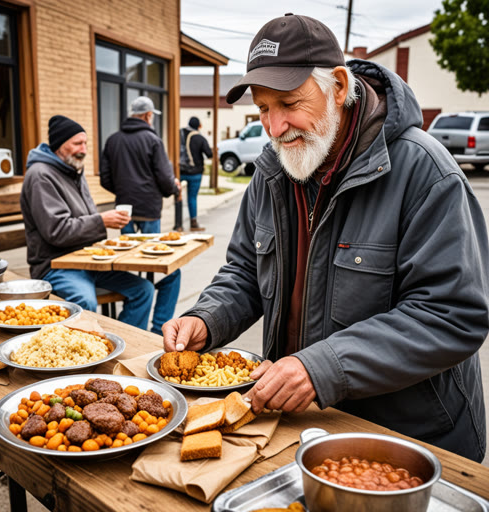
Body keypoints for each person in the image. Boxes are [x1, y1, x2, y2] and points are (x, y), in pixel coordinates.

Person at [162, 13, 489, 462]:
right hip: (300, 426)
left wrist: (323, 367)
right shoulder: (273, 169)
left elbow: (451, 313)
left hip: (409, 438)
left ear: (338, 86)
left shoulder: (425, 171)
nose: (274, 128)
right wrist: (208, 318)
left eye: (290, 103)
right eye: (263, 108)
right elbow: (244, 271)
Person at [20, 115, 154, 329]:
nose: (83, 149)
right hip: (56, 265)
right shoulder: (40, 175)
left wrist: (106, 223)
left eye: (85, 143)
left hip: (87, 260)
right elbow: (57, 231)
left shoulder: (73, 169)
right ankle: (91, 353)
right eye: (77, 143)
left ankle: (121, 341)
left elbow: (87, 217)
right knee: (85, 302)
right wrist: (102, 221)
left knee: (143, 290)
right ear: (58, 146)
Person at [99, 96, 181, 335]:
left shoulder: (112, 140)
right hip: (148, 211)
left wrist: (124, 192)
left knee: (126, 263)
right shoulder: (153, 140)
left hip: (124, 211)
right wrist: (173, 188)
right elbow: (165, 179)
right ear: (147, 116)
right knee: (163, 266)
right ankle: (157, 329)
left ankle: (133, 318)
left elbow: (105, 177)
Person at [179, 116, 213, 231]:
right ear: (199, 126)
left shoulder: (179, 134)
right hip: (195, 173)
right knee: (192, 197)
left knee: (178, 196)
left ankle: (178, 224)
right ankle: (193, 223)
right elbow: (209, 154)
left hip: (179, 171)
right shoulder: (199, 138)